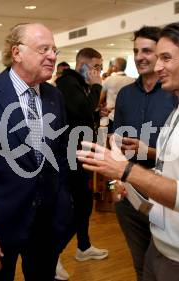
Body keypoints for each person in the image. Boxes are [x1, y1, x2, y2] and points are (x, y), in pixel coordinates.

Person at [77, 21, 179, 281]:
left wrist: (126, 170)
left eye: (165, 57)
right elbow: (170, 169)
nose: (156, 66)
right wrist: (122, 182)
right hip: (161, 245)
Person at [0, 23, 72, 281]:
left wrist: (64, 208)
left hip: (46, 227)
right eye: (44, 49)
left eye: (54, 49)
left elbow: (60, 157)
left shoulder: (54, 96)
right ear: (17, 53)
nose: (52, 56)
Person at [111, 26, 177, 281]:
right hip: (129, 195)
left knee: (165, 266)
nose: (140, 56)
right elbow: (116, 142)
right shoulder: (126, 94)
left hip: (165, 194)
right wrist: (115, 182)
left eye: (147, 50)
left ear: (160, 54)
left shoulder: (174, 94)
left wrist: (146, 150)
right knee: (141, 266)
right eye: (136, 51)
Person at [55, 47, 108, 280]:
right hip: (71, 155)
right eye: (95, 66)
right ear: (82, 65)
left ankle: (84, 247)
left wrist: (96, 113)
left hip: (81, 152)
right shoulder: (68, 82)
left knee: (84, 203)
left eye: (100, 67)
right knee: (80, 206)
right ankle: (53, 254)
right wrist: (98, 88)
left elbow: (81, 115)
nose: (98, 72)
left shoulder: (77, 84)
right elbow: (84, 109)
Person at [99, 57, 135, 133]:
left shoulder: (109, 79)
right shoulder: (133, 80)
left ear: (114, 67)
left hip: (111, 115)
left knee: (110, 140)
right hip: (127, 116)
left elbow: (100, 99)